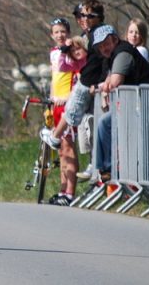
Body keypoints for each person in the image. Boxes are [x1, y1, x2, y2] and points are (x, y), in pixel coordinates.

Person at [90, 25, 149, 179]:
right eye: (100, 46)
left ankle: (109, 170)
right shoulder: (113, 57)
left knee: (105, 123)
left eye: (106, 43)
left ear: (115, 39)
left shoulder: (123, 53)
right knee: (105, 123)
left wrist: (106, 86)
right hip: (137, 107)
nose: (104, 48)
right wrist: (106, 84)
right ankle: (107, 172)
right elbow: (110, 80)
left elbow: (114, 82)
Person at [41, 0, 107, 152]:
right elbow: (63, 68)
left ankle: (55, 137)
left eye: (86, 16)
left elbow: (101, 61)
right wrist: (64, 52)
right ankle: (94, 164)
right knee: (87, 131)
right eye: (80, 16)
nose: (82, 19)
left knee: (77, 114)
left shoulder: (98, 34)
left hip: (90, 85)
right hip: (80, 89)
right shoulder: (59, 51)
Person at [47, 19, 87, 205]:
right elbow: (54, 78)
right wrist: (51, 99)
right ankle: (62, 190)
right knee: (61, 150)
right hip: (56, 104)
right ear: (52, 35)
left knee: (69, 147)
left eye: (63, 31)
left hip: (68, 104)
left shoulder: (72, 52)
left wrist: (71, 98)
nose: (60, 35)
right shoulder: (54, 53)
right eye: (56, 32)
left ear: (68, 33)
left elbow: (78, 77)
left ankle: (70, 192)